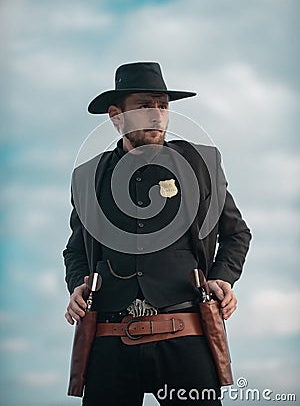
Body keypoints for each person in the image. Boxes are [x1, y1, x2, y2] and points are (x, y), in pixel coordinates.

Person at [63, 62, 251, 406]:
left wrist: (224, 277)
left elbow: (236, 233)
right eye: (144, 106)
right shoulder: (86, 176)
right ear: (116, 116)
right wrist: (77, 282)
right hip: (109, 337)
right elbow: (75, 250)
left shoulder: (201, 163)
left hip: (186, 333)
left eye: (162, 106)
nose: (156, 115)